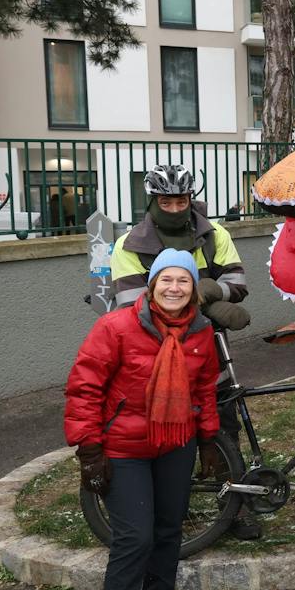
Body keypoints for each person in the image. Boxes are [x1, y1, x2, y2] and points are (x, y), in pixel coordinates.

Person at [64, 248, 221, 590]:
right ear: (152, 285)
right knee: (135, 538)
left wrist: (208, 439)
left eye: (183, 281)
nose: (174, 288)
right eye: (166, 280)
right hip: (124, 447)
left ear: (193, 288)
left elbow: (205, 387)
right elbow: (84, 387)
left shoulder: (201, 332)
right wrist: (89, 450)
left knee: (170, 529)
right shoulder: (116, 327)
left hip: (175, 442)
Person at [110, 164, 255, 536]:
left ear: (190, 199)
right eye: (166, 201)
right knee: (168, 428)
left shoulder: (213, 233)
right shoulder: (130, 244)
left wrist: (211, 292)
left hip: (209, 349)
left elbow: (237, 280)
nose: (175, 207)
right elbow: (131, 304)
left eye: (181, 200)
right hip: (155, 354)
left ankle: (235, 507)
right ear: (154, 201)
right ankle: (171, 511)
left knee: (223, 423)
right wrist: (199, 302)